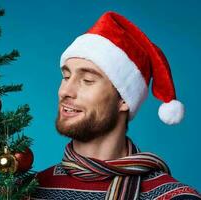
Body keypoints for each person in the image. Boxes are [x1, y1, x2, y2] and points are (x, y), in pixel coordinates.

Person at [31, 11, 201, 200]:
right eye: (66, 76)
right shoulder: (28, 191)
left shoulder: (173, 197)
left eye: (87, 80)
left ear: (124, 100)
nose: (65, 91)